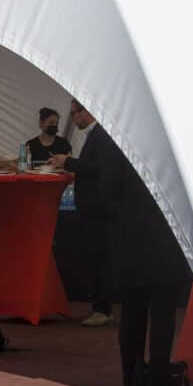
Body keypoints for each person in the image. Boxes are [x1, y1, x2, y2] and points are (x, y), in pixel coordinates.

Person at [57, 105, 193, 386]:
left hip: (130, 237)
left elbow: (107, 187)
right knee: (163, 318)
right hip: (166, 240)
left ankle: (132, 379)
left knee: (132, 314)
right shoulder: (177, 142)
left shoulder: (119, 138)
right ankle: (158, 382)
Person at [50, 101, 114, 326]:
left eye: (75, 113)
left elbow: (97, 168)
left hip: (97, 209)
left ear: (87, 111)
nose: (73, 118)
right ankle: (100, 305)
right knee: (95, 257)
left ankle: (102, 308)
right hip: (92, 207)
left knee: (99, 258)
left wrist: (68, 162)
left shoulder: (101, 136)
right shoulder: (95, 135)